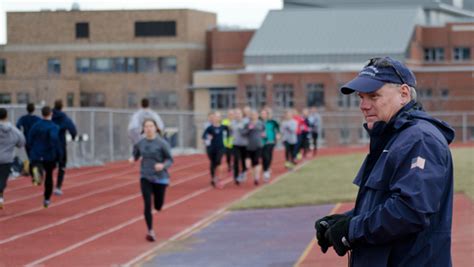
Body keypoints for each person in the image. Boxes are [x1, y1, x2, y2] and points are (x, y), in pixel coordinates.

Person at [314, 57, 455, 266]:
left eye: (374, 96)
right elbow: (384, 202)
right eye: (361, 97)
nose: (363, 105)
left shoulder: (420, 139)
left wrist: (352, 229)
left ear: (404, 94)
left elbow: (410, 211)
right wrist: (345, 220)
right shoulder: (395, 136)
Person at [129, 118, 173, 242]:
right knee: (147, 204)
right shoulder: (140, 143)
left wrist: (162, 166)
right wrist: (133, 158)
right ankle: (150, 231)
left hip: (160, 178)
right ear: (144, 129)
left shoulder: (162, 143)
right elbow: (136, 153)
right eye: (146, 126)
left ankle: (158, 207)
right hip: (145, 176)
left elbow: (170, 159)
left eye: (151, 126)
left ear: (156, 128)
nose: (149, 128)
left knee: (158, 206)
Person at [28, 106, 62, 208]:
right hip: (49, 155)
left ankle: (36, 175)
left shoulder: (35, 126)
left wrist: (31, 150)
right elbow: (55, 141)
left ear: (42, 114)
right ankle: (47, 199)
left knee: (34, 165)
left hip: (37, 154)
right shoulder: (54, 127)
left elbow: (29, 139)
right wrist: (59, 156)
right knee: (49, 176)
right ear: (51, 114)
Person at [0, 108, 26, 209]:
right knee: (2, 179)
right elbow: (22, 142)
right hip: (6, 159)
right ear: (6, 116)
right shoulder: (14, 130)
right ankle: (0, 198)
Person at [52, 99, 77, 196]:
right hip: (60, 145)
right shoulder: (64, 118)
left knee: (49, 166)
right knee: (61, 167)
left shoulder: (49, 116)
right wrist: (73, 136)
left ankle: (41, 172)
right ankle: (58, 187)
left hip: (49, 145)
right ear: (61, 107)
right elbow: (73, 129)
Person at [202, 112, 230, 188]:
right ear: (213, 118)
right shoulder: (209, 128)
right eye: (215, 117)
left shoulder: (224, 127)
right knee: (213, 163)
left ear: (220, 118)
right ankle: (213, 177)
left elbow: (229, 133)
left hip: (221, 147)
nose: (216, 118)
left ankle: (219, 178)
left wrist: (228, 141)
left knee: (219, 162)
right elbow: (204, 136)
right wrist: (207, 138)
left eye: (218, 117)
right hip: (211, 148)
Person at [16, 103, 40, 171]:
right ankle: (34, 170)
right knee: (35, 156)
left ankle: (32, 169)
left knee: (30, 156)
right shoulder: (37, 119)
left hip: (27, 140)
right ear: (34, 109)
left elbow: (18, 125)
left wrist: (21, 134)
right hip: (36, 141)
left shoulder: (23, 118)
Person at [245, 110, 265, 185]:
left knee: (257, 161)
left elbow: (263, 131)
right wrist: (248, 129)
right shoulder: (247, 124)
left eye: (254, 114)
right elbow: (244, 133)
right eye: (252, 115)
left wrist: (263, 135)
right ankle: (255, 177)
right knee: (253, 163)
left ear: (257, 115)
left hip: (258, 145)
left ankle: (257, 177)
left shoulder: (261, 123)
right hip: (250, 145)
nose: (253, 116)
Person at [260, 108, 279, 182]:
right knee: (263, 157)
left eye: (265, 114)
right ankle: (265, 169)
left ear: (267, 115)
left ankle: (266, 171)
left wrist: (278, 134)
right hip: (261, 142)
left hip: (270, 141)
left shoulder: (272, 122)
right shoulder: (258, 122)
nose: (263, 115)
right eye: (262, 113)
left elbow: (277, 129)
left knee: (268, 156)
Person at [231, 109, 249, 184]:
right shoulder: (232, 122)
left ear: (242, 114)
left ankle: (244, 171)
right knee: (236, 159)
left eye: (239, 113)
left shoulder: (246, 122)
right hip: (235, 144)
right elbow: (231, 132)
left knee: (243, 160)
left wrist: (243, 130)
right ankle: (236, 176)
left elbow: (248, 131)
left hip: (245, 144)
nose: (237, 115)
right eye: (236, 113)